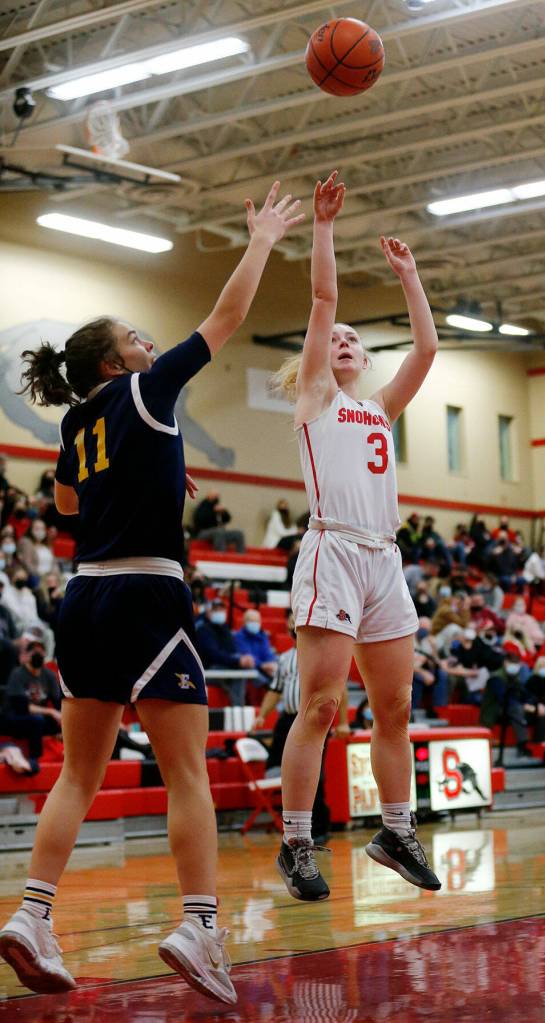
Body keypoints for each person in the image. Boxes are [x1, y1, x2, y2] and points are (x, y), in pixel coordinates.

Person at [0, 180, 303, 1001]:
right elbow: (227, 318)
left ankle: (32, 913)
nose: (148, 341)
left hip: (83, 597)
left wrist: (149, 469)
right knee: (186, 774)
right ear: (115, 360)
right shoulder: (148, 388)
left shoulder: (74, 422)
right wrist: (264, 239)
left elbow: (65, 503)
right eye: (136, 336)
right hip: (143, 593)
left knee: (78, 774)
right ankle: (201, 926)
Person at [270, 171, 440, 902]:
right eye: (332, 340)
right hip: (333, 549)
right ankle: (296, 841)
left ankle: (396, 829)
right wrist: (324, 226)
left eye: (350, 341)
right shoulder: (315, 399)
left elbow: (427, 351)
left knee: (396, 707)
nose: (340, 340)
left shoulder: (376, 408)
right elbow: (322, 299)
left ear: (363, 361)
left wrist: (409, 278)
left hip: (382, 556)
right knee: (321, 706)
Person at [252, 612, 348, 842]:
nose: (293, 629)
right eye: (290, 625)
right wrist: (262, 715)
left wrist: (343, 721)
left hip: (314, 720)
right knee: (281, 769)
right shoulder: (285, 659)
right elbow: (275, 690)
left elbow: (340, 690)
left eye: (296, 624)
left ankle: (320, 828)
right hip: (287, 719)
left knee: (315, 774)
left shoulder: (322, 656)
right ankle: (293, 826)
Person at [0, 635, 62, 763]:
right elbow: (22, 707)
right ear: (27, 655)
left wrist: (61, 725)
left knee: (57, 721)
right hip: (14, 717)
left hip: (37, 717)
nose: (37, 654)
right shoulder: (17, 674)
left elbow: (58, 703)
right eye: (34, 651)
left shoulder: (49, 675)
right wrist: (51, 712)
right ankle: (36, 759)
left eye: (40, 651)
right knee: (37, 721)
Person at [195, 597, 253, 706]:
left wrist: (241, 659)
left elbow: (232, 650)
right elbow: (214, 655)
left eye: (222, 610)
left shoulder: (225, 629)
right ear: (208, 612)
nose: (220, 613)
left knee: (240, 671)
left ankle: (238, 709)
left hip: (223, 667)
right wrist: (237, 661)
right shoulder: (203, 630)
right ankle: (238, 710)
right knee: (237, 675)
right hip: (207, 670)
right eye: (216, 610)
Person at [479, 649, 532, 756]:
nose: (514, 666)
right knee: (516, 708)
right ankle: (523, 743)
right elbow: (504, 698)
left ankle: (540, 742)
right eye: (511, 663)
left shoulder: (515, 678)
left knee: (539, 710)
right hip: (493, 712)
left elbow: (525, 694)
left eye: (516, 664)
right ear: (505, 662)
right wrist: (523, 706)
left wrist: (533, 705)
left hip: (510, 710)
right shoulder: (496, 677)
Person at [233, 608, 278, 697]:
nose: (255, 623)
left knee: (277, 670)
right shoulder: (239, 637)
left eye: (257, 621)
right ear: (244, 622)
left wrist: (270, 663)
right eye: (251, 621)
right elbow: (247, 657)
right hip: (250, 669)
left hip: (264, 669)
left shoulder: (263, 636)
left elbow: (267, 653)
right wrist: (262, 665)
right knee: (257, 674)